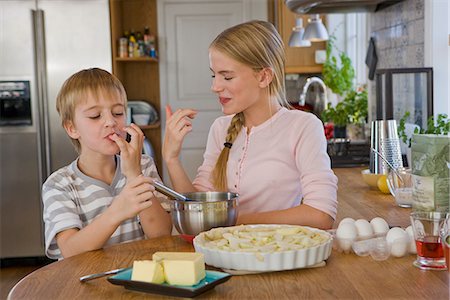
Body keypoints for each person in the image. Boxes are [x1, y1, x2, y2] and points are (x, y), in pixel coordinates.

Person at [162, 20, 338, 230]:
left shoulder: (302, 126)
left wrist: (234, 221)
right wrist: (171, 159)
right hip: (222, 256)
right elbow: (197, 208)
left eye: (227, 76)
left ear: (264, 76)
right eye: (214, 75)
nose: (215, 86)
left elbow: (321, 214)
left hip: (276, 255)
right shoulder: (220, 128)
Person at [42, 68, 171, 260]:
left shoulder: (143, 166)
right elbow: (70, 250)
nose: (111, 122)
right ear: (72, 128)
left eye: (118, 112)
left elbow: (161, 234)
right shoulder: (59, 185)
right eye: (95, 116)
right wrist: (116, 212)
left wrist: (135, 175)